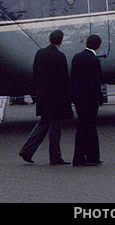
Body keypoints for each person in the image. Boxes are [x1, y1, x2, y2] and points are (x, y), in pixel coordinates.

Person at [19, 30, 71, 165]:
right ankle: (55, 156)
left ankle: (27, 150)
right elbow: (63, 79)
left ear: (49, 39)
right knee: (55, 127)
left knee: (43, 123)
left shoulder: (40, 53)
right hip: (56, 96)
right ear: (61, 41)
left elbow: (35, 73)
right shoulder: (60, 56)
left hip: (43, 94)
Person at [70, 34, 104, 167]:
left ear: (86, 43)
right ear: (99, 46)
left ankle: (92, 156)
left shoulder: (76, 58)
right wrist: (98, 97)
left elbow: (73, 78)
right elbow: (96, 82)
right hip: (90, 98)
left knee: (86, 125)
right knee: (87, 126)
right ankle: (82, 157)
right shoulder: (94, 61)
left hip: (79, 98)